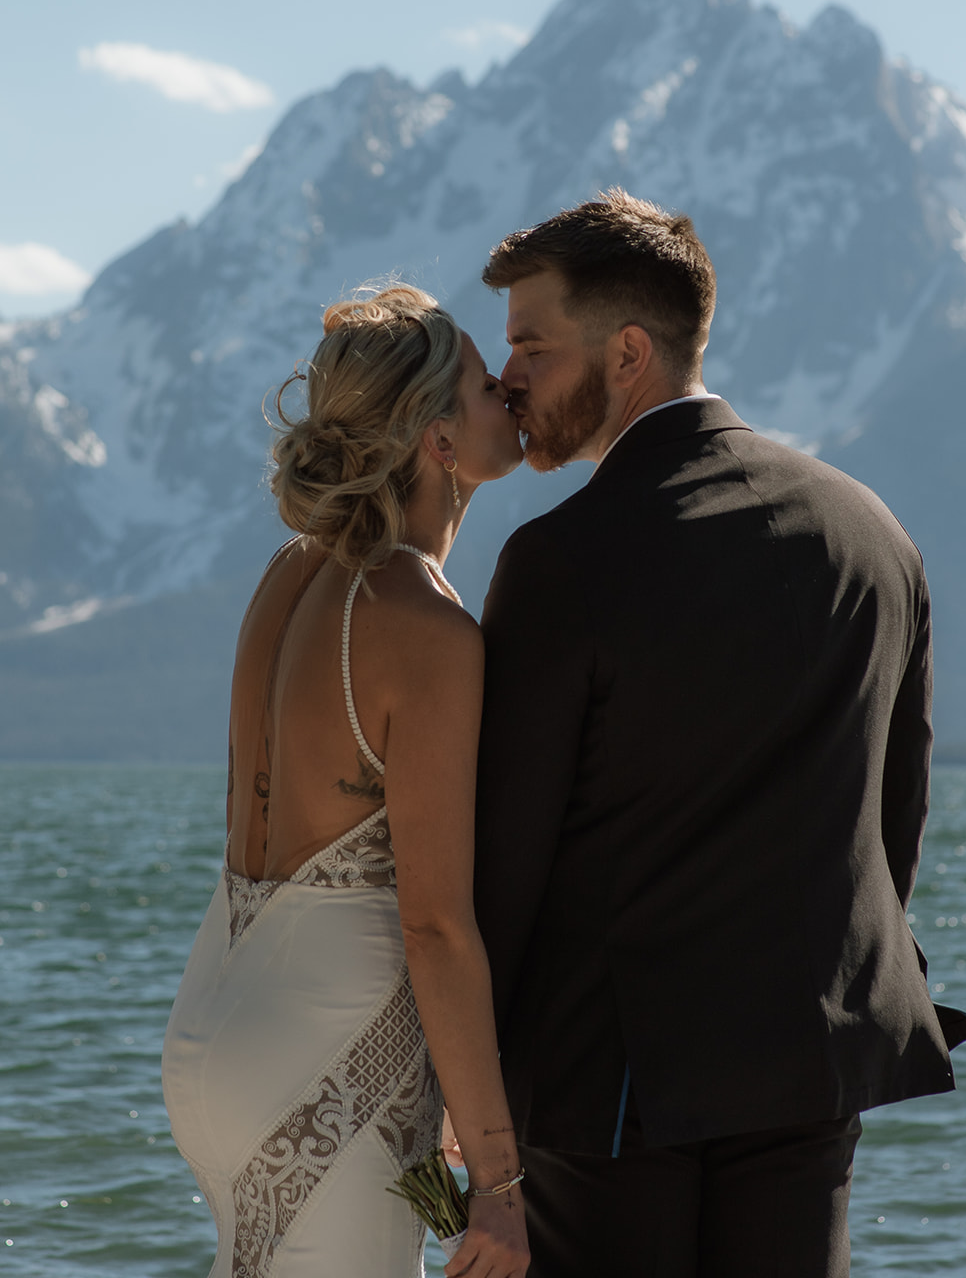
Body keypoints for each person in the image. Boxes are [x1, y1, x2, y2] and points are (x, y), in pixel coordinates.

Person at [472, 190, 966, 1278]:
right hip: (815, 1050)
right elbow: (892, 821)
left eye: (528, 344)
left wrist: (466, 1096)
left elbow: (505, 860)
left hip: (611, 1076)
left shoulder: (564, 559)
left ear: (625, 353)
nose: (505, 373)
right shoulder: (874, 533)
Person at [162, 286, 530, 1278]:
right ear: (438, 442)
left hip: (217, 1034)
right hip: (322, 1051)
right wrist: (497, 1186)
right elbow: (433, 927)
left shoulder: (290, 573)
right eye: (484, 385)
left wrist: (447, 1144)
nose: (512, 392)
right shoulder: (426, 630)